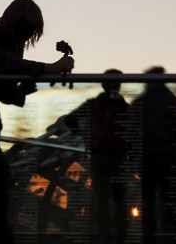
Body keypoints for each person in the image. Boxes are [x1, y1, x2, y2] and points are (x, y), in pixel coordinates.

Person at [0, 0, 74, 243]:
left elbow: (2, 89)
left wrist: (21, 91)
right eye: (27, 30)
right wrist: (49, 67)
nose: (27, 38)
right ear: (14, 19)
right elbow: (2, 64)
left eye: (31, 33)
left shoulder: (14, 44)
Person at [64, 68, 129, 244]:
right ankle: (121, 237)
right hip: (119, 158)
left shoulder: (92, 104)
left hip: (98, 156)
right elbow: (134, 129)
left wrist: (83, 134)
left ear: (103, 85)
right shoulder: (123, 106)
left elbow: (69, 120)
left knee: (101, 200)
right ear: (119, 86)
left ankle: (105, 237)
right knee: (120, 200)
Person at [131, 66, 176, 244]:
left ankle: (148, 238)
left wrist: (133, 159)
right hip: (170, 159)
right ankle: (171, 238)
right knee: (170, 204)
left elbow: (131, 134)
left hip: (147, 159)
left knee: (147, 203)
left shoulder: (140, 103)